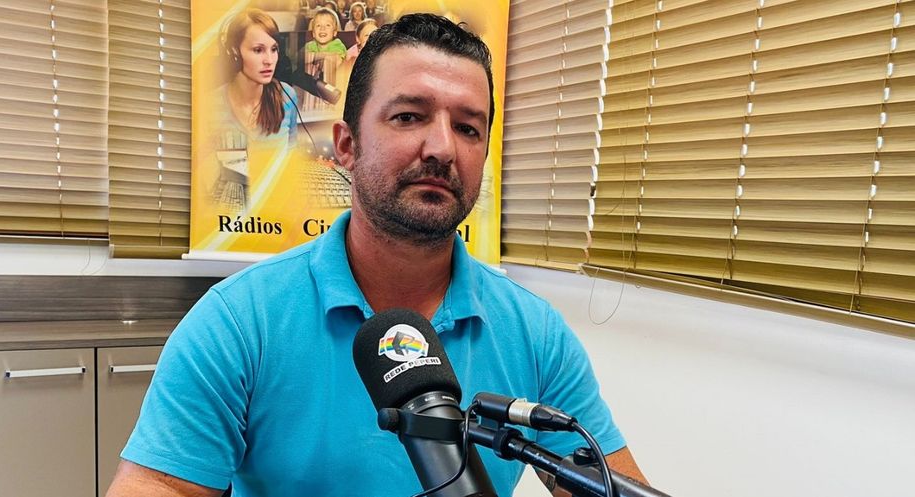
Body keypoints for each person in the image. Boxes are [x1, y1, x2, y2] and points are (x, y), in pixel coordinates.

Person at [106, 13, 646, 497]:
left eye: (468, 128)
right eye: (408, 116)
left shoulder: (535, 333)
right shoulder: (238, 322)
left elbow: (608, 483)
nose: (442, 148)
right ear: (346, 145)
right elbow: (159, 485)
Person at [217, 9, 297, 147]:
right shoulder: (210, 104)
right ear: (235, 51)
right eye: (258, 50)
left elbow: (292, 152)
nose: (269, 60)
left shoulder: (287, 96)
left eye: (274, 49)